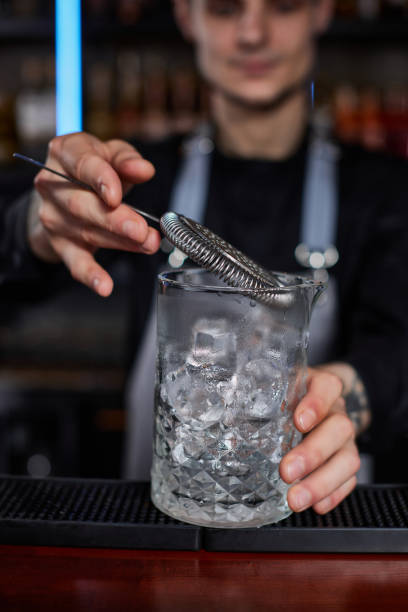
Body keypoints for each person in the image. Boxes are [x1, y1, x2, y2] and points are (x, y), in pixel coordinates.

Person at [1, 0, 407, 514]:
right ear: (186, 16)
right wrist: (36, 225)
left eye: (282, 6)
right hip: (163, 535)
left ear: (322, 11)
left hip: (318, 536)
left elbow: (399, 347)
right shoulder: (142, 179)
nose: (252, 33)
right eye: (223, 8)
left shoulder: (386, 191)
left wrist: (342, 393)